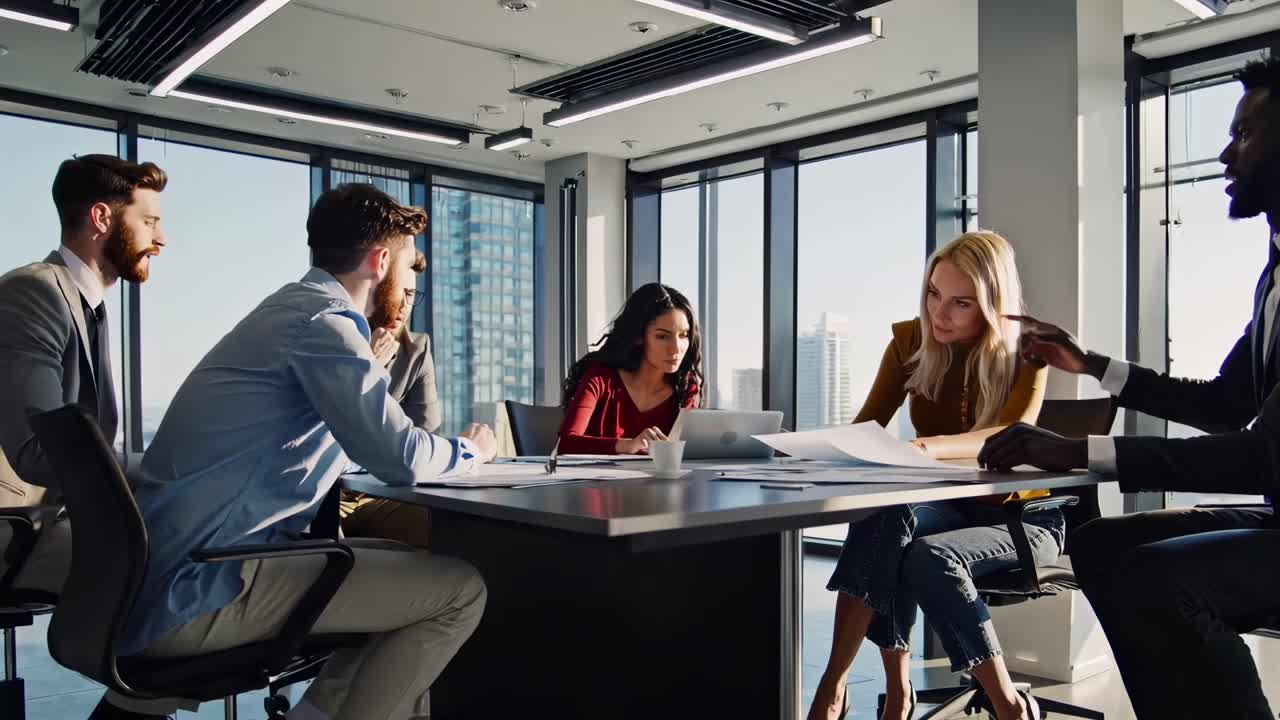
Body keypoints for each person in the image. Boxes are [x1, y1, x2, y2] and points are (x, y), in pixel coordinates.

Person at [99, 184, 497, 720]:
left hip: (168, 571)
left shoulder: (290, 310)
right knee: (460, 591)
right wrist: (471, 450)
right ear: (380, 262)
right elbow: (399, 456)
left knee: (405, 568)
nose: (408, 290)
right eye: (408, 274)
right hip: (205, 583)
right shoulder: (324, 323)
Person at [978, 58, 1280, 720]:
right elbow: (1226, 405)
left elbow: (1265, 455)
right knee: (1100, 544)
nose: (1226, 153)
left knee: (1156, 580)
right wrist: (1089, 365)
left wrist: (1080, 454)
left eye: (1246, 133)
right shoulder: (1274, 276)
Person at [809, 231, 1049, 720]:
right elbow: (867, 425)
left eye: (960, 303)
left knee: (914, 549)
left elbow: (1006, 434)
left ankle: (997, 705)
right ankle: (858, 686)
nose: (939, 313)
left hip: (1019, 515)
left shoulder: (1029, 348)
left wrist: (924, 447)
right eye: (934, 294)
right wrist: (815, 449)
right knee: (885, 518)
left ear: (991, 304)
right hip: (947, 509)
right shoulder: (908, 341)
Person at [0, 154, 168, 596]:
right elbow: (41, 451)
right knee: (186, 554)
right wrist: (165, 470)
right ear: (101, 218)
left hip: (48, 519)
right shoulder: (35, 292)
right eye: (149, 222)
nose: (161, 239)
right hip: (15, 533)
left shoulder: (83, 304)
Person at [340, 250, 441, 548]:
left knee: (456, 530)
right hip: (331, 494)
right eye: (398, 292)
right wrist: (368, 365)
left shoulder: (416, 350)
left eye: (411, 294)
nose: (404, 306)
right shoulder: (336, 337)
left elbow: (425, 433)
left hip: (386, 491)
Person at [557, 282, 702, 455]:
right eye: (662, 336)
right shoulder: (600, 379)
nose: (676, 348)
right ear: (638, 337)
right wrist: (628, 445)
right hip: (598, 481)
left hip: (657, 482)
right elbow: (566, 444)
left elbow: (686, 453)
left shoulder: (685, 387)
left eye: (683, 335)